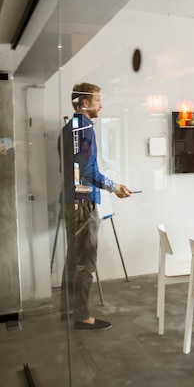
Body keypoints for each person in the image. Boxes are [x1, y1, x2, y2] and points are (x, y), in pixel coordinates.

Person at [59, 82, 132, 330]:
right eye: (98, 99)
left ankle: (68, 309)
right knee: (85, 262)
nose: (102, 104)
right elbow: (88, 173)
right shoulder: (86, 128)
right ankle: (81, 316)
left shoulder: (68, 128)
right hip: (83, 204)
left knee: (73, 258)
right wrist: (115, 186)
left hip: (70, 201)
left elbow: (73, 170)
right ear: (85, 103)